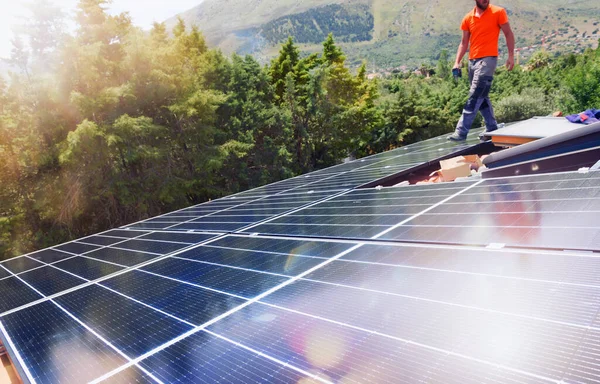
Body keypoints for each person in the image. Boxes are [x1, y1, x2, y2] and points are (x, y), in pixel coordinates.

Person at [447, 0, 515, 141]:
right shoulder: (467, 18)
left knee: (475, 94)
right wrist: (456, 62)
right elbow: (464, 42)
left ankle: (461, 132)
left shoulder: (498, 12)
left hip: (488, 60)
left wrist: (511, 56)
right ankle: (491, 127)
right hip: (472, 62)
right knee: (482, 96)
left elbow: (508, 33)